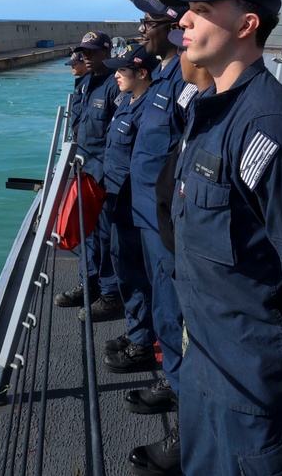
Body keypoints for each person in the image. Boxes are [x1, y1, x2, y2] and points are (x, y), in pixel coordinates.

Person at [157, 0, 282, 476]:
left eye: (203, 9)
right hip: (207, 362)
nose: (184, 20)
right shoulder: (209, 108)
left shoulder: (267, 127)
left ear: (247, 24)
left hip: (254, 385)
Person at [124, 0, 190, 476]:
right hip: (147, 215)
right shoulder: (163, 77)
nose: (143, 29)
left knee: (175, 312)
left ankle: (189, 421)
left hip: (166, 222)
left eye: (150, 22)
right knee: (163, 308)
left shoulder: (183, 80)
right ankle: (172, 381)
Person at [98, 43, 161, 375]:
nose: (116, 76)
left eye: (123, 70)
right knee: (124, 269)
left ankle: (143, 342)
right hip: (116, 202)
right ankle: (139, 329)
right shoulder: (127, 100)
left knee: (137, 274)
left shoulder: (150, 110)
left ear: (142, 73)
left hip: (134, 206)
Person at [54, 31, 123, 316]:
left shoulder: (115, 86)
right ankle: (89, 284)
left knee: (106, 236)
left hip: (105, 176)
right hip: (84, 169)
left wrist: (109, 174)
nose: (87, 57)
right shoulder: (85, 83)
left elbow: (119, 135)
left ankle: (110, 294)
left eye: (93, 52)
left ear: (107, 52)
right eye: (85, 52)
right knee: (87, 233)